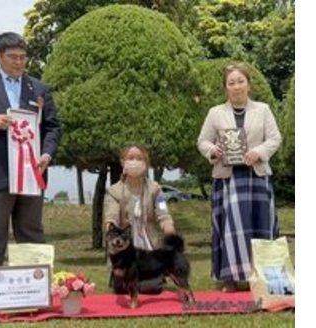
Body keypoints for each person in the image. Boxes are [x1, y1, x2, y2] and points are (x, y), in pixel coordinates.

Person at [0, 32, 61, 299]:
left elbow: (53, 127)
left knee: (31, 231)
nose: (19, 63)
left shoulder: (39, 89)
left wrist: (47, 153)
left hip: (33, 172)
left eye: (23, 57)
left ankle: (37, 287)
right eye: (13, 57)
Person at [197, 63, 282, 292]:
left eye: (240, 81)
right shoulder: (216, 113)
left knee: (261, 225)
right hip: (228, 179)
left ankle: (267, 277)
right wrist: (213, 151)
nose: (236, 87)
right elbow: (202, 141)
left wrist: (259, 152)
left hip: (257, 176)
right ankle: (230, 278)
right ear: (226, 87)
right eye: (231, 83)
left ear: (249, 84)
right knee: (231, 227)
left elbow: (274, 138)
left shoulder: (263, 110)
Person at [103, 145, 176, 294]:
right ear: (122, 162)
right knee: (122, 289)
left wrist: (171, 235)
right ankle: (119, 277)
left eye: (139, 158)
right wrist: (110, 229)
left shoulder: (155, 189)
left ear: (146, 163)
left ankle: (156, 276)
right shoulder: (113, 191)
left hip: (149, 253)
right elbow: (111, 216)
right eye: (130, 158)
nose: (135, 161)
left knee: (152, 289)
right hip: (125, 253)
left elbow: (164, 215)